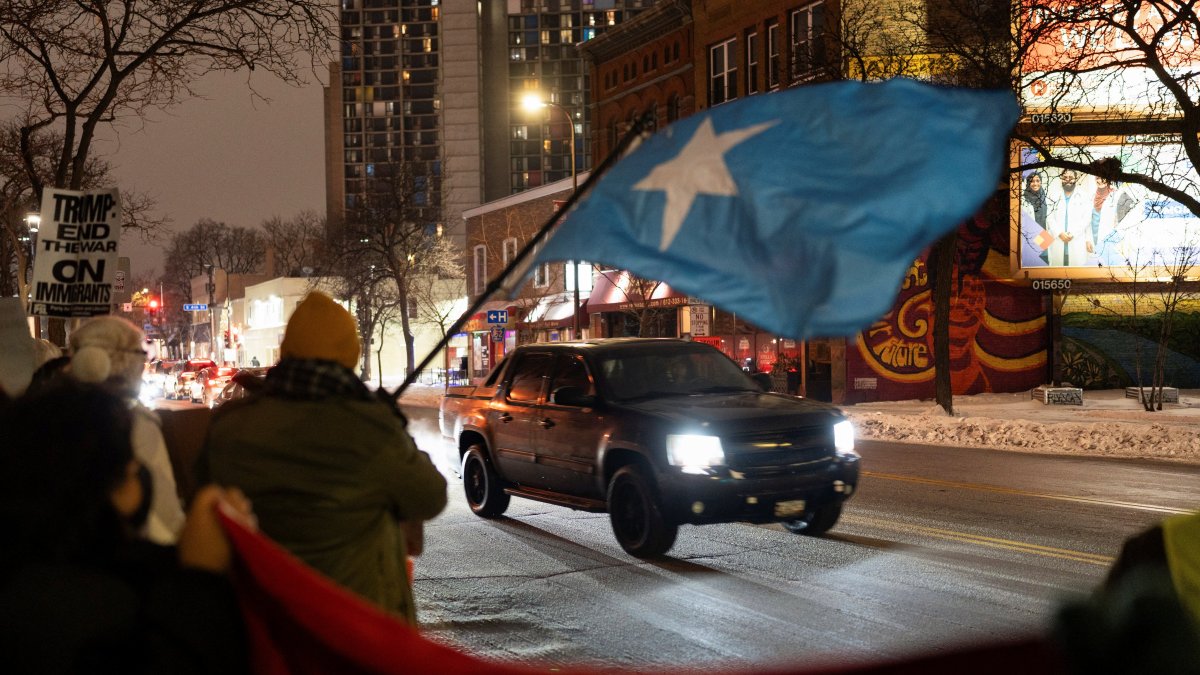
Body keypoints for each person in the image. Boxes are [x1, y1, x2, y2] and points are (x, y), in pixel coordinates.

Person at [196, 291, 447, 623]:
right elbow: (429, 497)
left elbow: (202, 496)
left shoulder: (229, 427)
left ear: (287, 353)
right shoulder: (369, 430)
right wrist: (393, 428)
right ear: (350, 355)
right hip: (354, 629)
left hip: (262, 625)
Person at [0, 381, 252, 674]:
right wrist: (203, 578)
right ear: (111, 484)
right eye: (130, 467)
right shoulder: (99, 612)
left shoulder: (22, 575)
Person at [68, 315, 187, 544]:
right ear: (125, 361)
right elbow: (164, 520)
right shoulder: (133, 423)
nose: (144, 365)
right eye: (141, 355)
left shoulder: (45, 412)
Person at [1044, 169, 1095, 267]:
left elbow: (1087, 219)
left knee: (1076, 272)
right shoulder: (1053, 196)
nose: (1068, 180)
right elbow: (1049, 217)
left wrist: (1073, 233)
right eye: (1065, 178)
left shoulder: (1084, 196)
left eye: (1071, 178)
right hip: (1058, 240)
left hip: (1076, 240)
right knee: (1057, 270)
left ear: (1076, 179)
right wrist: (1059, 233)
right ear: (1061, 179)